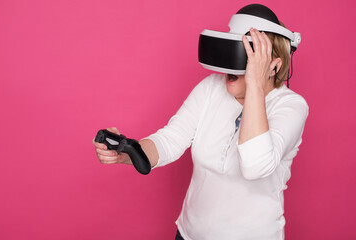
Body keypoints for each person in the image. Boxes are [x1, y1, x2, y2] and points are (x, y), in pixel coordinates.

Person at [93, 4, 308, 240]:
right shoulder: (211, 88)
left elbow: (255, 166)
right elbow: (171, 139)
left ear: (273, 66)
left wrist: (255, 82)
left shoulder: (291, 106)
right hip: (189, 235)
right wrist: (130, 151)